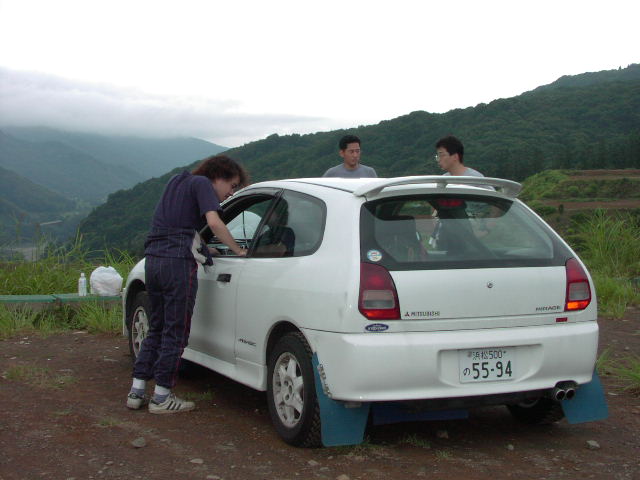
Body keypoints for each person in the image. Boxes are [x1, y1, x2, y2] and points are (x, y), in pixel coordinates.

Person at [127, 154, 248, 414]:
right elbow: (214, 222)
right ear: (218, 176)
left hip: (154, 261)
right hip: (177, 264)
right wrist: (238, 250)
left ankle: (137, 391)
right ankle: (162, 397)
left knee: (156, 327)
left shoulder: (176, 181)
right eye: (232, 185)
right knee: (176, 330)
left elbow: (177, 225)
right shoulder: (203, 184)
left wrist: (204, 247)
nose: (230, 193)